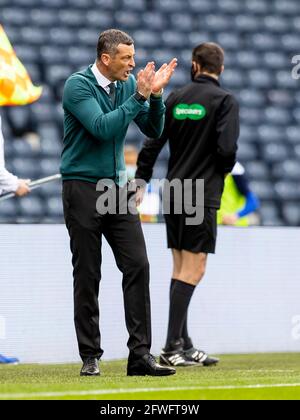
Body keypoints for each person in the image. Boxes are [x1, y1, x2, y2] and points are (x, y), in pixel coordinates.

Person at [61, 29, 177, 376]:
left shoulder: (129, 85)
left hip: (117, 190)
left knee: (138, 265)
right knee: (88, 272)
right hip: (82, 187)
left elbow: (154, 130)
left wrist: (154, 97)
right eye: (127, 57)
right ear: (106, 58)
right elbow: (101, 128)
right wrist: (139, 96)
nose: (133, 63)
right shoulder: (77, 85)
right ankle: (90, 355)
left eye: (134, 56)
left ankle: (139, 356)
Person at [135, 42, 240, 367]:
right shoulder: (225, 101)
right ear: (219, 69)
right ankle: (170, 347)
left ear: (194, 66)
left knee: (181, 268)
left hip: (175, 190)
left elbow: (153, 141)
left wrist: (141, 178)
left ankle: (184, 342)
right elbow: (226, 150)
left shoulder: (175, 97)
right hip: (202, 192)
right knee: (194, 269)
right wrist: (218, 174)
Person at [218, 162, 260, 227]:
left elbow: (253, 202)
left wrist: (236, 215)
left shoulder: (235, 170)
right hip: (211, 229)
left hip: (236, 228)